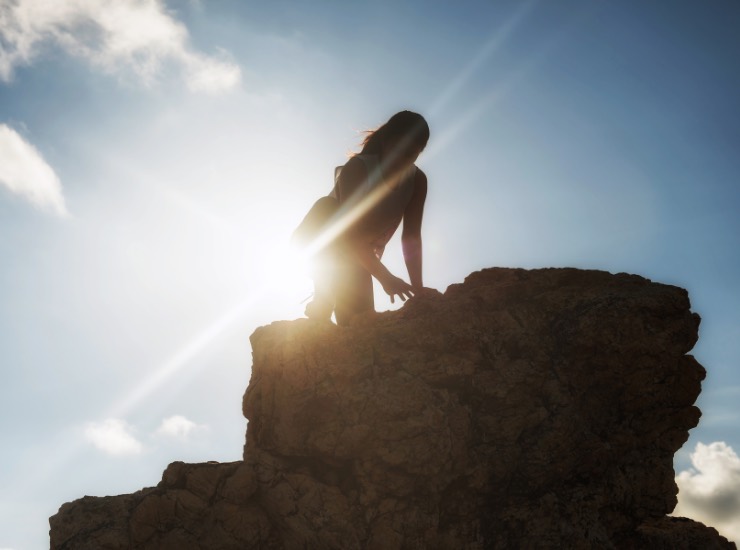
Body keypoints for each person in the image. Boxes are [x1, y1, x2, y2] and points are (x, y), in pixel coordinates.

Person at [295, 110, 430, 325]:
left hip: (358, 256)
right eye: (399, 150)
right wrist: (386, 278)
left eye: (411, 154)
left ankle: (333, 297)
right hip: (319, 240)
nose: (402, 160)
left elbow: (411, 236)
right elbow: (349, 232)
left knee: (359, 325)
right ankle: (323, 296)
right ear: (386, 142)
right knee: (326, 207)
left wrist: (419, 289)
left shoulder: (417, 181)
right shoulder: (358, 168)